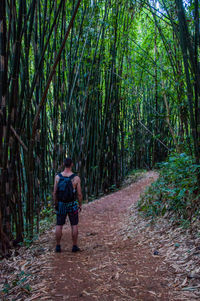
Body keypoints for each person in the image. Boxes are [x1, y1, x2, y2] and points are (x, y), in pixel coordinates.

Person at [53, 157, 82, 253]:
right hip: (72, 204)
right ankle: (74, 246)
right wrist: (80, 204)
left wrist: (55, 203)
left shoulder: (57, 177)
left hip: (61, 204)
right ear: (72, 164)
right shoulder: (76, 178)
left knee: (59, 225)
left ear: (63, 164)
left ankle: (58, 246)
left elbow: (54, 193)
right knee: (74, 224)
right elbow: (79, 194)